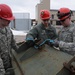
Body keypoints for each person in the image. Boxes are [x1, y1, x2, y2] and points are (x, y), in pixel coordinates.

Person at [0, 4, 18, 75]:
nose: (8, 24)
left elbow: (13, 43)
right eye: (4, 24)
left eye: (9, 21)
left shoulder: (7, 29)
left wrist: (20, 51)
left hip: (8, 64)